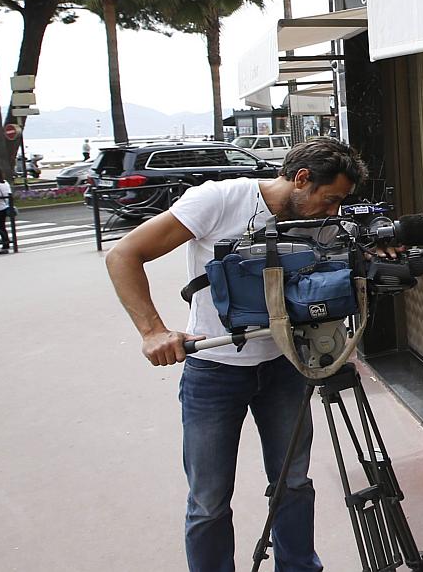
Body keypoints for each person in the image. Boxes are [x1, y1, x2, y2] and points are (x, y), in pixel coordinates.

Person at [107, 137, 369, 572]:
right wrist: (152, 331)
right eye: (330, 199)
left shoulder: (319, 218)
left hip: (288, 366)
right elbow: (123, 254)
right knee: (208, 500)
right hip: (214, 371)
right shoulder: (219, 199)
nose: (333, 213)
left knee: (294, 483)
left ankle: (299, 566)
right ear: (301, 179)